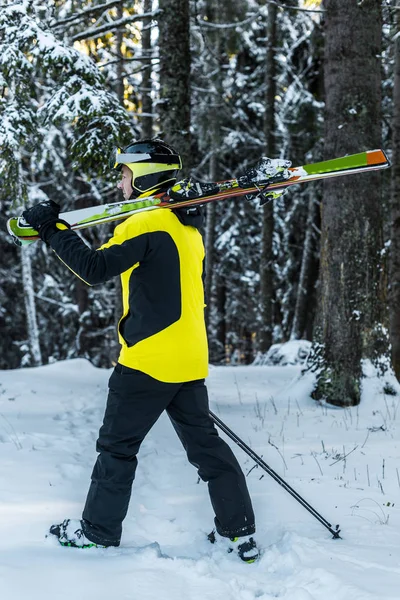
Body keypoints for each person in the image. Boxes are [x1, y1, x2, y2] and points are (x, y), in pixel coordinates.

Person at [22, 139, 260, 563]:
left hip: (148, 362)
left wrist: (51, 229)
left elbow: (94, 269)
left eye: (125, 175)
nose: (119, 184)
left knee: (117, 447)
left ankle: (96, 533)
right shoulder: (187, 228)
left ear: (145, 176)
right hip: (189, 358)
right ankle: (239, 533)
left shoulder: (144, 224)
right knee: (207, 450)